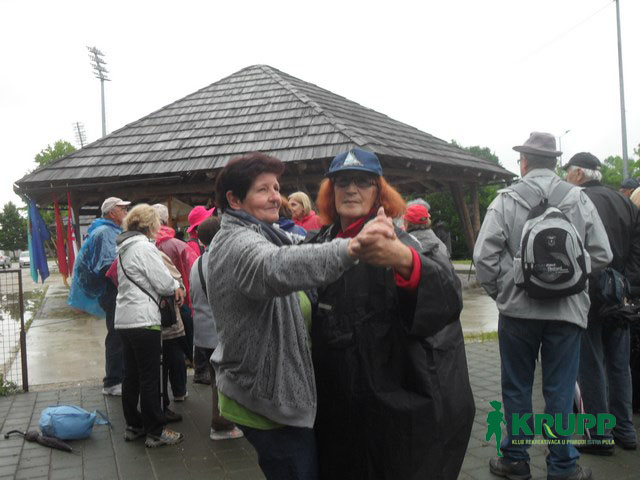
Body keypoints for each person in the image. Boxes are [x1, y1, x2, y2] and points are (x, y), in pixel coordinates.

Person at [207, 152, 393, 480]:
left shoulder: (266, 233)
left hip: (267, 388)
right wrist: (351, 248)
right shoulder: (239, 243)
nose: (275, 197)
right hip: (267, 399)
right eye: (262, 189)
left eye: (276, 188)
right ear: (235, 200)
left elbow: (296, 246)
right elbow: (275, 266)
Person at [308, 147, 475, 480]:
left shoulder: (401, 242)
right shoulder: (317, 243)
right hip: (331, 403)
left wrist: (404, 261)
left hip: (385, 405)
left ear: (378, 192)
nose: (351, 189)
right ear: (331, 191)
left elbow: (447, 296)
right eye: (342, 182)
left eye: (362, 182)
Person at [474, 132, 613, 480]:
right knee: (560, 390)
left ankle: (516, 459)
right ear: (554, 163)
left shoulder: (506, 199)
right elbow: (603, 253)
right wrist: (570, 278)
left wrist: (503, 291)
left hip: (517, 312)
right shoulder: (578, 198)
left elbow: (484, 257)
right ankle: (563, 466)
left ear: (524, 162)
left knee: (517, 387)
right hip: (567, 312)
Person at [564, 152, 640, 453]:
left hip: (589, 293)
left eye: (568, 171)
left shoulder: (576, 201)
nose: (566, 177)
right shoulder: (624, 202)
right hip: (620, 292)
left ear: (579, 174)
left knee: (591, 364)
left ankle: (599, 435)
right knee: (620, 364)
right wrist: (626, 286)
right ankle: (626, 430)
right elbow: (637, 249)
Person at [114, 204, 185, 448]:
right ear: (150, 225)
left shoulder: (123, 249)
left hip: (124, 320)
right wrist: (176, 286)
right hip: (144, 320)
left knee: (131, 375)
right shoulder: (144, 247)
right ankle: (156, 430)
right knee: (150, 376)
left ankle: (134, 425)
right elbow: (164, 283)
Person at [68, 196, 130, 396]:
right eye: (122, 209)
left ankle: (119, 377)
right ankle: (112, 381)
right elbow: (106, 266)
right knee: (116, 336)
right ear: (111, 212)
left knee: (119, 334)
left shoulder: (108, 230)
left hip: (112, 291)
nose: (126, 212)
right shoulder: (105, 232)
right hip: (111, 291)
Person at [189, 216, 244, 441]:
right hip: (221, 332)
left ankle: (226, 420)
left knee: (217, 378)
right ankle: (221, 424)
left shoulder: (197, 262)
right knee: (224, 380)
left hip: (203, 334)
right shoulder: (222, 259)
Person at [152, 204, 198, 397]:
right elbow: (194, 270)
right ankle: (179, 391)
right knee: (176, 348)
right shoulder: (178, 245)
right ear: (166, 220)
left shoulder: (144, 245)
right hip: (177, 304)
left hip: (150, 309)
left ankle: (160, 396)